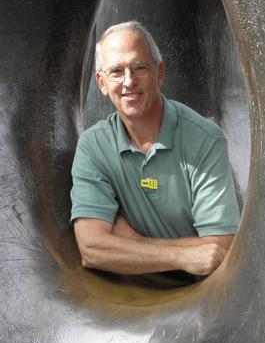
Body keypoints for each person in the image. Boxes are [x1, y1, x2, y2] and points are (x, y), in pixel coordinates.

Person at [71, 21, 240, 277]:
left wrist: (133, 242)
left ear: (159, 73)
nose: (128, 81)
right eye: (116, 71)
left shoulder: (205, 140)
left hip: (203, 295)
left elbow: (219, 251)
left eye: (139, 67)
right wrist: (181, 256)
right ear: (102, 83)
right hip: (128, 299)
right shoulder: (92, 146)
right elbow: (92, 250)